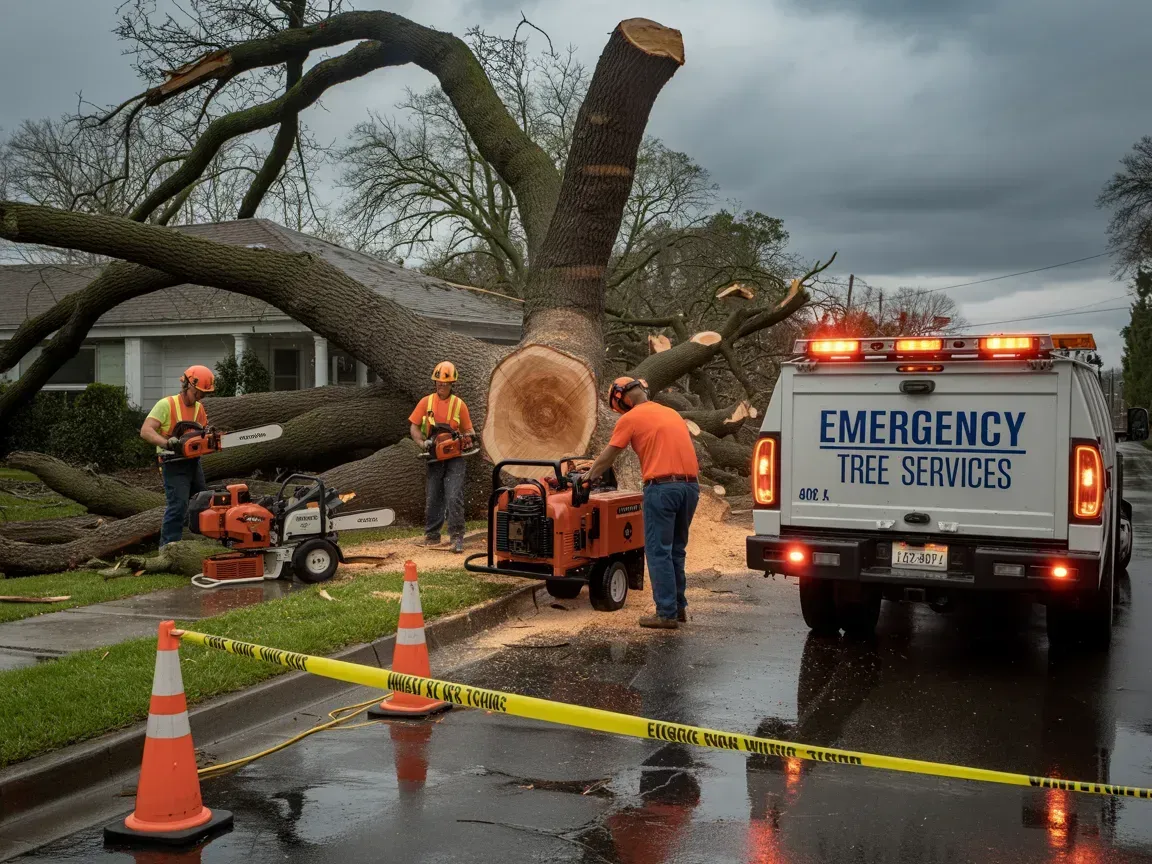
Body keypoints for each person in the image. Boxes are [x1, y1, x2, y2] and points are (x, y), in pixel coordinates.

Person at [583, 377, 700, 629]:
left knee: (658, 552)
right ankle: (678, 607)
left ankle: (666, 613)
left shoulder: (631, 418)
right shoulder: (670, 413)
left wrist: (587, 477)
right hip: (690, 487)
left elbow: (609, 455)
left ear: (620, 399)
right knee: (676, 550)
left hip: (662, 489)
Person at [139, 365, 214, 548]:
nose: (200, 397)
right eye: (199, 392)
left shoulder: (200, 409)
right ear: (188, 385)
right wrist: (167, 443)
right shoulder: (167, 404)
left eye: (204, 394)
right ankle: (168, 548)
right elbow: (145, 431)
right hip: (172, 462)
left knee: (202, 499)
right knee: (178, 504)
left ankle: (200, 539)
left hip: (192, 461)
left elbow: (203, 433)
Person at [409, 361, 476, 553]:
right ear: (435, 383)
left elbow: (469, 430)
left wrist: (468, 439)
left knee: (454, 495)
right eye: (438, 382)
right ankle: (432, 535)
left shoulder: (459, 405)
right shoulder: (426, 402)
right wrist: (423, 443)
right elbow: (413, 426)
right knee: (433, 495)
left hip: (455, 457)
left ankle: (456, 537)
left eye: (445, 383)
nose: (441, 386)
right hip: (433, 454)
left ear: (452, 384)